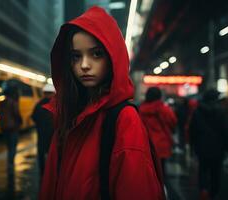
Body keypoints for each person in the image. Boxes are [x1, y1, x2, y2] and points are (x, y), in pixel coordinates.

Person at [40, 6, 164, 200]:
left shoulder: (124, 119)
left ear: (113, 57)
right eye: (76, 56)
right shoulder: (68, 113)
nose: (84, 65)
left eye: (96, 54)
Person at [189, 89, 228, 200]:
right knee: (216, 172)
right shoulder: (221, 112)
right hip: (218, 148)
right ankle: (214, 193)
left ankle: (203, 190)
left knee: (202, 170)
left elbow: (192, 130)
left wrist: (192, 146)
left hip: (202, 147)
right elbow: (226, 130)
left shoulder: (197, 111)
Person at [139, 87, 177, 177]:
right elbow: (173, 121)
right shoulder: (164, 109)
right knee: (161, 171)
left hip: (146, 143)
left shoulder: (141, 109)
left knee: (149, 171)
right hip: (162, 143)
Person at [31, 84, 55, 177]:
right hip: (53, 133)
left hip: (41, 132)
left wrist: (39, 124)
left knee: (41, 152)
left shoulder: (39, 104)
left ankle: (43, 172)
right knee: (53, 153)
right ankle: (52, 172)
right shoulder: (57, 104)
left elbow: (34, 117)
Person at [0, 86, 22, 173]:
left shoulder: (1, 103)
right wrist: (20, 122)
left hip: (3, 127)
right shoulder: (13, 102)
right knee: (13, 147)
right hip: (13, 127)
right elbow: (16, 114)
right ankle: (10, 164)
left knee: (8, 146)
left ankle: (9, 163)